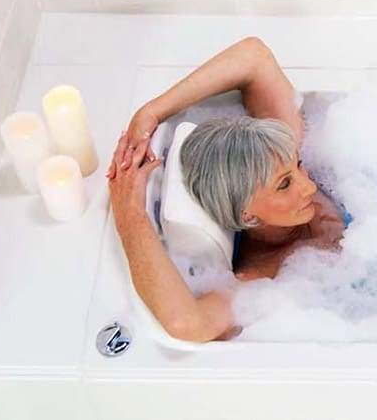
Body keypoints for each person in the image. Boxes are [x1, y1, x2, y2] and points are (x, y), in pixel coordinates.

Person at [106, 37, 346, 342]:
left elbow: (254, 56)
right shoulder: (264, 278)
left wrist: (151, 112)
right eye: (285, 184)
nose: (309, 185)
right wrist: (129, 214)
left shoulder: (279, 153)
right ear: (247, 214)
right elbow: (187, 324)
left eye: (298, 164)